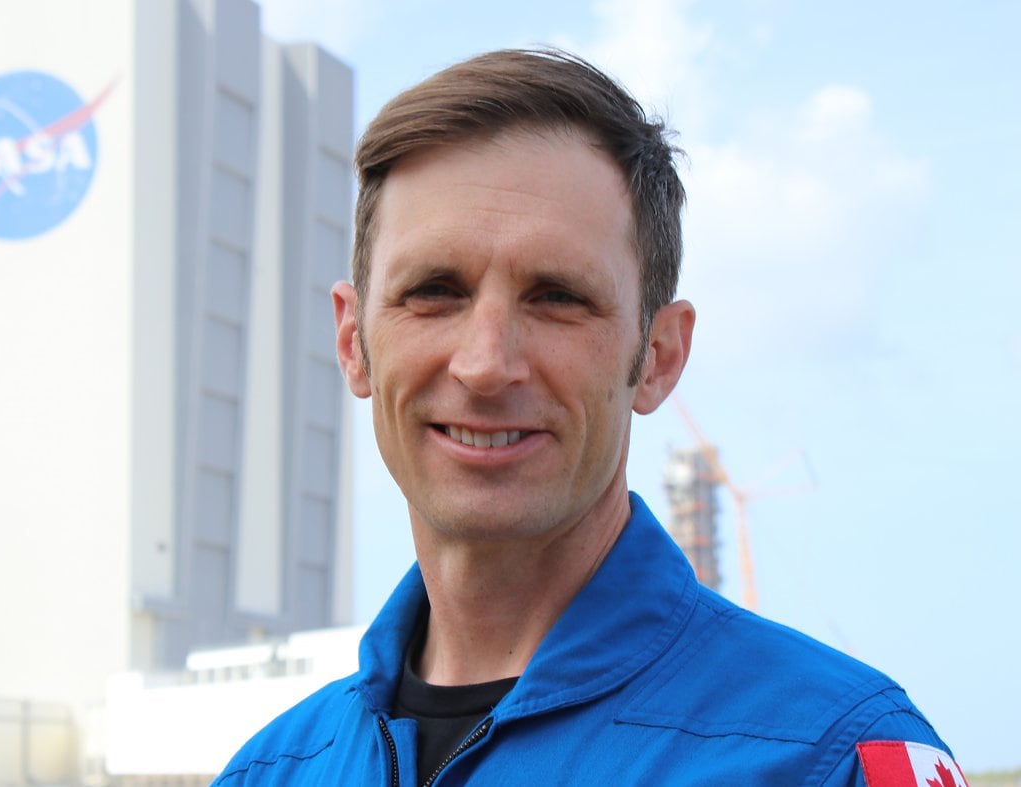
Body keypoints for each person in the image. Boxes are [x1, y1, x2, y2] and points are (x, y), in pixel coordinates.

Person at [213, 48, 964, 786]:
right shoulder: (266, 773)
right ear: (353, 342)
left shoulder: (829, 758)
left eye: (558, 297)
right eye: (435, 290)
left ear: (659, 355)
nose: (485, 364)